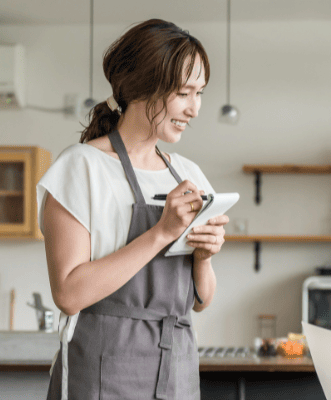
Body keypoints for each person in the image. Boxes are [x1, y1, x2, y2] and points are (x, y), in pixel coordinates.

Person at [37, 19, 227, 400]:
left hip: (176, 370)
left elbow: (200, 301)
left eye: (200, 93)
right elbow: (69, 293)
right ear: (143, 87)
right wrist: (161, 232)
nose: (194, 108)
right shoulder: (81, 167)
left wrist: (204, 257)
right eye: (184, 93)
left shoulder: (188, 174)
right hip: (103, 371)